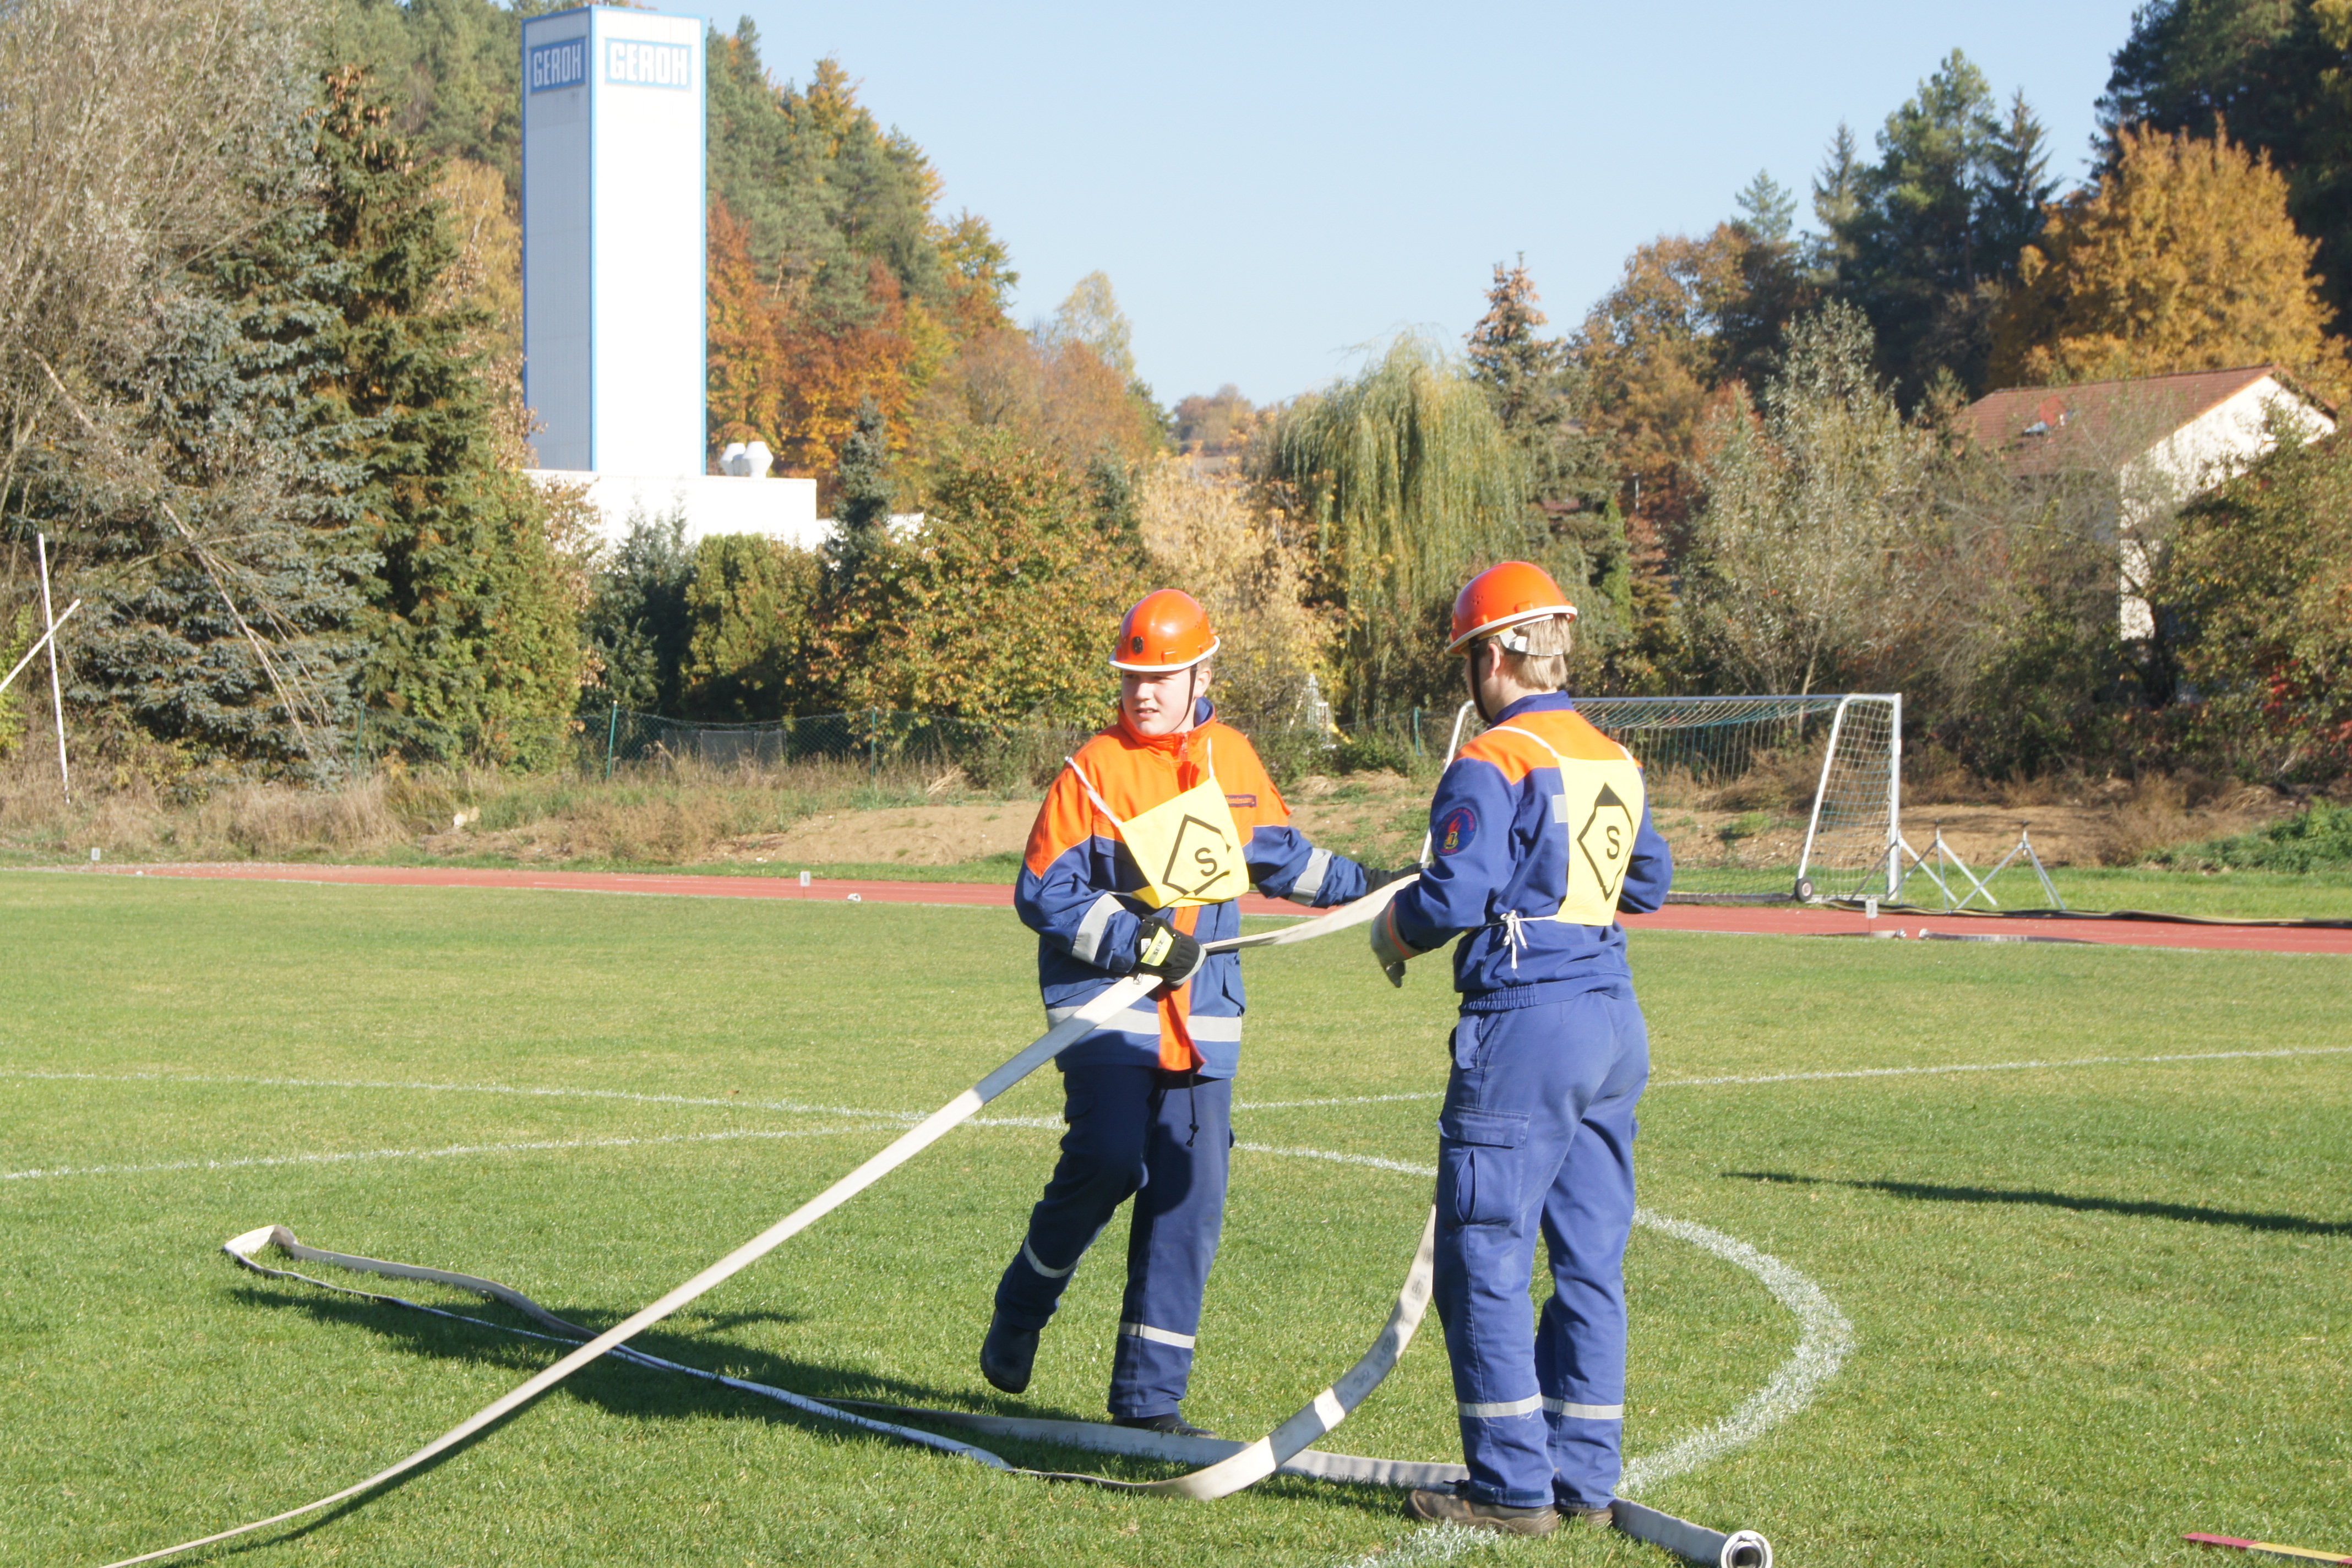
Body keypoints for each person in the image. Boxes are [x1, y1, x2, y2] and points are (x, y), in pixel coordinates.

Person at [981, 589, 1401, 1435]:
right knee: (1106, 1161)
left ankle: (1149, 1405)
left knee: (1188, 1198)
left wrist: (1374, 886)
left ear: (1202, 676)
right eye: (1132, 678)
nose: (1143, 692)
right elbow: (1043, 892)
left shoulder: (1231, 757)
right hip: (1109, 1011)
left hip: (1204, 1019)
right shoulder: (1092, 770)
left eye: (1161, 678)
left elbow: (1281, 860)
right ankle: (1023, 1306)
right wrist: (1134, 940)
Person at [1370, 561, 1673, 1536]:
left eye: (1468, 657)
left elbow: (1456, 894)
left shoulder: (1494, 759)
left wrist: (1395, 931)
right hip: (1613, 1017)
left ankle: (1509, 1486)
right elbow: (1649, 882)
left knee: (1485, 1253)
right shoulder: (1613, 756)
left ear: (1493, 656)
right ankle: (1584, 1476)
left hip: (1529, 1024)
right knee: (1589, 1258)